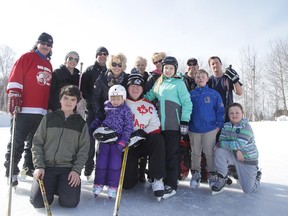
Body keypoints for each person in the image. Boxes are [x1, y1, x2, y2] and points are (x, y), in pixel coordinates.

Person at [4, 32, 53, 186]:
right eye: (43, 43)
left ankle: (28, 167)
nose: (45, 46)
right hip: (24, 110)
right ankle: (11, 172)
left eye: (49, 44)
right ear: (37, 43)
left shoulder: (49, 64)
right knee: (17, 143)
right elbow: (16, 76)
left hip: (41, 112)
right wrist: (15, 93)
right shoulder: (27, 57)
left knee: (34, 144)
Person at [30, 85, 89, 208]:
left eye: (73, 99)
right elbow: (37, 143)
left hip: (67, 169)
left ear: (77, 102)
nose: (69, 102)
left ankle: (61, 187)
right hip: (47, 167)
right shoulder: (48, 118)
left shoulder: (81, 124)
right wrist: (39, 166)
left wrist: (76, 170)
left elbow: (83, 150)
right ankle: (51, 185)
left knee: (69, 203)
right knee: (38, 202)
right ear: (60, 99)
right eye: (66, 98)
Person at [145, 56, 192, 199]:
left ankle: (171, 184)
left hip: (173, 126)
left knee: (172, 155)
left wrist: (184, 120)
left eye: (171, 68)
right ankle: (160, 179)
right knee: (161, 154)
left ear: (175, 70)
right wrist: (136, 100)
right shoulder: (159, 83)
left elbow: (187, 102)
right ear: (163, 69)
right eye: (166, 68)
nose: (168, 70)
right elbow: (149, 96)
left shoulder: (179, 83)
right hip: (160, 126)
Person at [123, 73, 166, 201]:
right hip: (128, 146)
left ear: (143, 89)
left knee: (158, 140)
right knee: (127, 185)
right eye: (132, 86)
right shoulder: (122, 103)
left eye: (138, 86)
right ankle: (134, 173)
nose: (135, 89)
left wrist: (142, 132)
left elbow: (156, 125)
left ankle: (157, 178)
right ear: (127, 87)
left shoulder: (149, 105)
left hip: (143, 142)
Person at [90, 85, 133, 198]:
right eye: (113, 99)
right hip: (105, 138)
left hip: (117, 140)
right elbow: (98, 119)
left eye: (118, 99)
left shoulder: (126, 110)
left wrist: (123, 141)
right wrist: (93, 128)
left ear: (123, 98)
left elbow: (128, 127)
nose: (115, 101)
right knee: (101, 161)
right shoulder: (105, 108)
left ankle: (112, 186)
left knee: (114, 164)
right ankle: (98, 184)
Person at [211, 103, 261, 194]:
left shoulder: (246, 126)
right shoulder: (226, 126)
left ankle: (257, 176)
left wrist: (232, 147)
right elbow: (222, 140)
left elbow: (238, 144)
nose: (234, 115)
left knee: (248, 190)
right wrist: (236, 151)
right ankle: (222, 177)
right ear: (228, 115)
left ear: (242, 113)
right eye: (231, 113)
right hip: (235, 156)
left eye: (237, 112)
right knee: (219, 151)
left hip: (247, 160)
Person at [188, 69, 225, 189]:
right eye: (198, 77)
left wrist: (219, 125)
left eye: (203, 76)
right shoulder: (190, 94)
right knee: (195, 152)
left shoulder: (214, 94)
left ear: (207, 79)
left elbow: (220, 111)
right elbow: (186, 110)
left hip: (210, 129)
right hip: (194, 129)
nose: (200, 78)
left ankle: (212, 175)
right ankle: (195, 173)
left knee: (209, 153)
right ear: (195, 79)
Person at [80, 46, 109, 178]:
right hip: (92, 110)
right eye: (100, 54)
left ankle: (100, 166)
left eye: (105, 54)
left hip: (107, 110)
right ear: (96, 56)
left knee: (103, 139)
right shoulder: (90, 70)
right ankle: (88, 165)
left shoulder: (109, 71)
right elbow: (84, 89)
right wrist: (92, 102)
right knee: (90, 139)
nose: (102, 56)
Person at [92, 53, 129, 121]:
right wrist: (100, 113)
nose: (117, 67)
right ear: (110, 65)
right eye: (114, 64)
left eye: (120, 65)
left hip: (122, 115)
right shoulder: (102, 79)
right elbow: (95, 98)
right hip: (105, 113)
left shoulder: (127, 79)